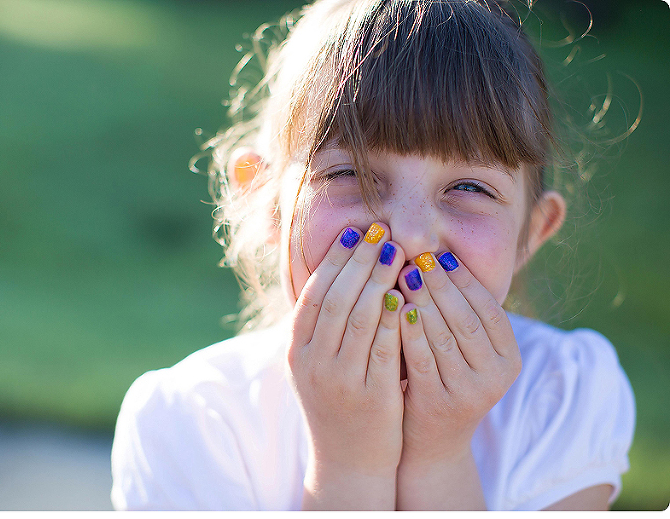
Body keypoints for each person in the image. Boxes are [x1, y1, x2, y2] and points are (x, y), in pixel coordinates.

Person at [110, 0, 635, 510]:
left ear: (531, 233)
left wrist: (439, 458)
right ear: (264, 201)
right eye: (350, 175)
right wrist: (350, 465)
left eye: (469, 187)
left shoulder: (566, 397)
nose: (407, 235)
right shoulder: (190, 420)